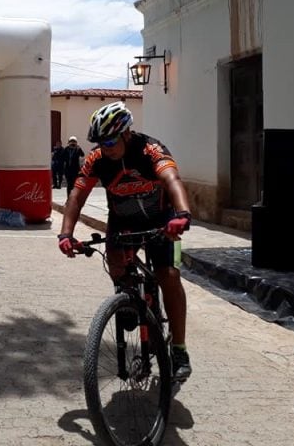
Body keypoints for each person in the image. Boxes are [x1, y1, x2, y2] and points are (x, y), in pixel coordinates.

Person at [57, 101, 193, 381]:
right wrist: (66, 234)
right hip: (123, 221)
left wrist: (182, 214)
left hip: (162, 220)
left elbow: (172, 179)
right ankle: (128, 299)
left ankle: (178, 350)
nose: (105, 148)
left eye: (109, 141)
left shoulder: (150, 150)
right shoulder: (97, 159)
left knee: (168, 275)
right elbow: (76, 196)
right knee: (118, 267)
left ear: (126, 134)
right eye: (99, 142)